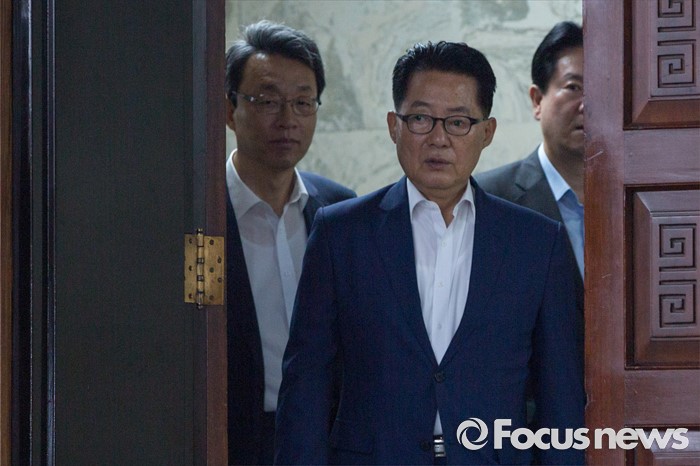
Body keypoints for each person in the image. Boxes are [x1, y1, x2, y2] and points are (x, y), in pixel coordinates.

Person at [275, 41, 584, 465]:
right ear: (394, 126)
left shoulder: (536, 242)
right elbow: (306, 385)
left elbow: (560, 398)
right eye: (420, 118)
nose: (439, 139)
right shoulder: (341, 234)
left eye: (458, 122)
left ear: (486, 132)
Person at [224, 20, 355, 465]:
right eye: (267, 101)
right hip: (232, 437)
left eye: (302, 102)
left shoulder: (340, 210)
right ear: (230, 110)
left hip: (326, 438)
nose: (288, 120)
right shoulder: (200, 215)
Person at [476, 20, 584, 313]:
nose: (588, 104)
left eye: (605, 89)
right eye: (573, 87)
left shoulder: (643, 201)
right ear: (537, 100)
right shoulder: (489, 198)